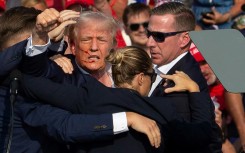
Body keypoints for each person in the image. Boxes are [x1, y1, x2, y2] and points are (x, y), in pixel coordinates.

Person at [0, 7, 160, 153]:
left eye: (102, 40)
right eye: (86, 39)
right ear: (73, 45)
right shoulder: (58, 74)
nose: (94, 47)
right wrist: (126, 119)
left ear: (114, 44)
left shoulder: (130, 72)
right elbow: (65, 126)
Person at [19, 46, 213, 153]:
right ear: (140, 77)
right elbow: (202, 136)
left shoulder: (90, 97)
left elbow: (28, 83)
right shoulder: (163, 110)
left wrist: (56, 58)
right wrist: (195, 90)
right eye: (151, 77)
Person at [146, 2, 222, 152]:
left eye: (159, 36)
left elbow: (188, 141)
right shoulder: (166, 67)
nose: (149, 42)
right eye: (149, 34)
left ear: (184, 39)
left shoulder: (180, 84)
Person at [192, 50, 236, 153]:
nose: (202, 70)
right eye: (197, 65)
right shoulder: (199, 91)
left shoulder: (235, 88)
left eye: (204, 62)